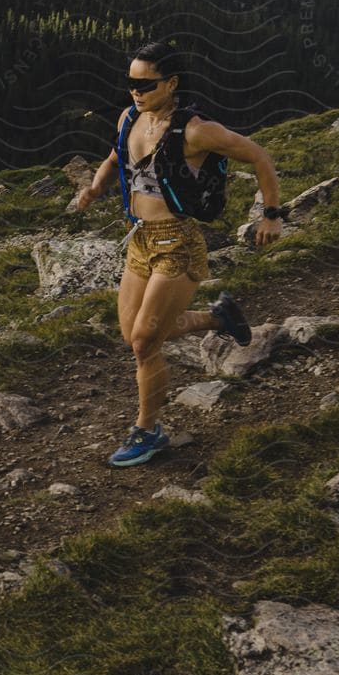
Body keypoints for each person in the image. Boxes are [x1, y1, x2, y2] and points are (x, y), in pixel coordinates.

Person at [74, 41, 287, 467]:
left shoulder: (195, 130)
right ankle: (217, 318)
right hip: (140, 241)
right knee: (133, 333)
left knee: (143, 342)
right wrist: (96, 187)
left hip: (179, 243)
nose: (136, 91)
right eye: (132, 83)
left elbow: (259, 155)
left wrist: (272, 216)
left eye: (146, 84)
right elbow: (116, 156)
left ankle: (149, 431)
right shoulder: (129, 116)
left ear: (171, 83)